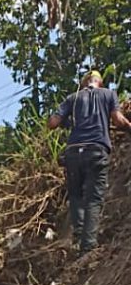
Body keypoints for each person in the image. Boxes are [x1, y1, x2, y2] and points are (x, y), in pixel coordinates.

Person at [48, 69, 131, 253]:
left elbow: (52, 122)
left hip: (72, 153)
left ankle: (78, 234)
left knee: (76, 194)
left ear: (85, 83)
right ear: (99, 82)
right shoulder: (109, 94)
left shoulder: (73, 98)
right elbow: (117, 121)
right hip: (96, 150)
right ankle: (88, 246)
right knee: (93, 198)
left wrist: (66, 122)